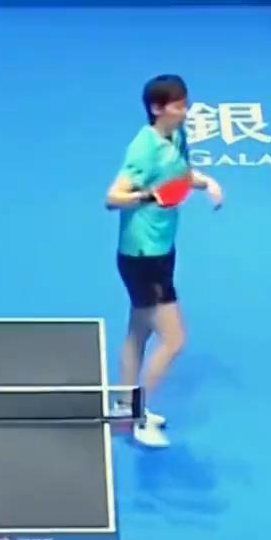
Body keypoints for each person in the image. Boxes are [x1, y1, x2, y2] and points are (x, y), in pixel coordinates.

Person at [105, 74, 224, 448]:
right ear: (157, 108)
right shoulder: (144, 148)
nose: (185, 111)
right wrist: (149, 197)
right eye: (178, 105)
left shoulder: (177, 135)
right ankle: (138, 416)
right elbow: (113, 198)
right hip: (142, 256)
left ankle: (124, 406)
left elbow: (181, 175)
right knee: (175, 340)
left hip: (161, 248)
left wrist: (206, 183)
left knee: (139, 332)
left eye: (186, 103)